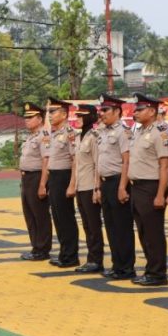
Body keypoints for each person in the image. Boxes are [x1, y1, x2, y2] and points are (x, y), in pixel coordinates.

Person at [124, 93, 168, 286]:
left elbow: (165, 165)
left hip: (151, 186)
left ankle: (158, 273)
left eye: (140, 109)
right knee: (143, 231)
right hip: (137, 187)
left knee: (153, 232)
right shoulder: (139, 132)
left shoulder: (160, 133)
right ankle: (150, 269)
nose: (136, 112)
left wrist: (161, 193)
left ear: (152, 111)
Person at [94, 94, 136, 280]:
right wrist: (97, 186)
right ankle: (117, 264)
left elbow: (127, 161)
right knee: (110, 226)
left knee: (122, 227)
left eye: (106, 110)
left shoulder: (123, 132)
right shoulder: (102, 132)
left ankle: (127, 267)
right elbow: (99, 160)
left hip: (117, 181)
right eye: (101, 110)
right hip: (105, 182)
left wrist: (122, 186)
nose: (102, 114)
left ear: (117, 112)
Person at [43, 98, 79, 268]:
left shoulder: (70, 133)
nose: (49, 115)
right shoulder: (53, 134)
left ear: (64, 114)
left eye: (53, 112)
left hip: (64, 176)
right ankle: (64, 253)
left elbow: (75, 160)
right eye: (49, 112)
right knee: (57, 217)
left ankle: (71, 256)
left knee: (66, 217)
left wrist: (72, 184)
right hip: (54, 177)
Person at [71, 104, 104, 273]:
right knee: (86, 225)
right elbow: (77, 164)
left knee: (93, 225)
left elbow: (98, 164)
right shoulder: (79, 137)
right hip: (80, 186)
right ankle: (91, 258)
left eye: (80, 116)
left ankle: (96, 260)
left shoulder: (94, 136)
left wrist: (97, 188)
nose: (77, 119)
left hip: (90, 186)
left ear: (89, 117)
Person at [18, 102, 52, 260]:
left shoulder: (43, 136)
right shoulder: (30, 137)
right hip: (26, 178)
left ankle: (43, 249)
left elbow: (46, 160)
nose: (27, 121)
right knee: (30, 214)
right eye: (26, 118)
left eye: (31, 118)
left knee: (40, 215)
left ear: (40, 119)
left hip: (37, 176)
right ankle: (35, 247)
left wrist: (43, 184)